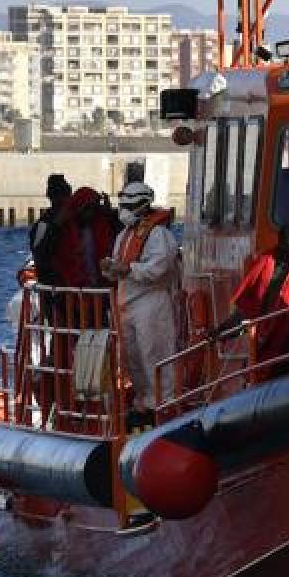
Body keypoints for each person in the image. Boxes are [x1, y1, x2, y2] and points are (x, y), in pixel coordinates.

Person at [100, 181, 180, 428]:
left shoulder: (159, 235)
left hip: (151, 301)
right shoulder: (124, 236)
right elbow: (119, 266)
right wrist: (110, 269)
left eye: (129, 205)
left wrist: (127, 269)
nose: (124, 209)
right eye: (123, 204)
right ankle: (144, 402)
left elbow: (159, 268)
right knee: (132, 357)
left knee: (154, 353)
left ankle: (163, 404)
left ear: (142, 205)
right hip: (127, 303)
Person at [211, 225, 289, 374]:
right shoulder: (266, 264)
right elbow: (249, 307)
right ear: (282, 243)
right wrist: (222, 330)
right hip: (268, 340)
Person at [30, 173, 73, 287]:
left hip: (61, 284)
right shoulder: (44, 224)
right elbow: (40, 254)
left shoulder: (43, 224)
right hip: (54, 284)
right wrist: (55, 226)